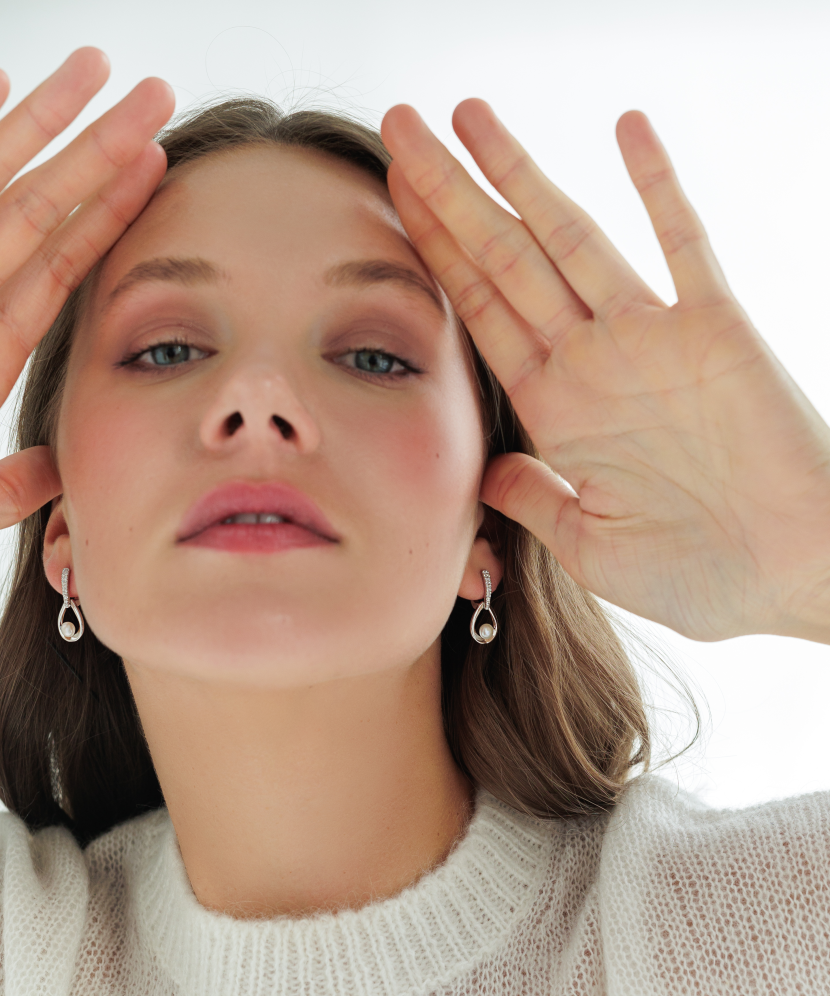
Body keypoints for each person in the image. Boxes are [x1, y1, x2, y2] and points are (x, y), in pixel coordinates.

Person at [0, 45, 826, 995]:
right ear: (59, 532)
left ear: (488, 534)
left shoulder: (761, 930)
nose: (258, 398)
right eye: (168, 348)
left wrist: (815, 560)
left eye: (374, 358)